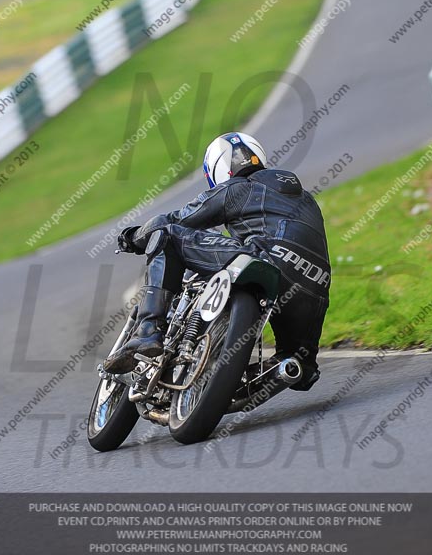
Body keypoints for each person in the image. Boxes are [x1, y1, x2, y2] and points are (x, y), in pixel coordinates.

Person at [104, 132, 331, 390]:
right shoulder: (306, 197)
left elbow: (172, 221)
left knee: (166, 236)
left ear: (217, 171)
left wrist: (132, 237)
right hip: (314, 290)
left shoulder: (235, 188)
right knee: (301, 370)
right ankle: (268, 373)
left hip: (262, 257)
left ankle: (147, 332)